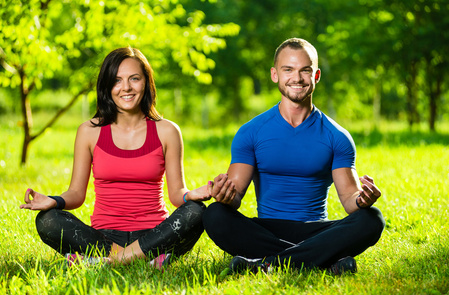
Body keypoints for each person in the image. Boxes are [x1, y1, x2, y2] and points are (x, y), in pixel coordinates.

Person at [202, 38, 385, 275]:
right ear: (275, 74)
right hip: (267, 230)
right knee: (215, 214)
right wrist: (224, 195)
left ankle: (265, 264)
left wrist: (362, 201)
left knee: (371, 219)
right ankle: (324, 261)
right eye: (288, 69)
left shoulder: (336, 136)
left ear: (316, 75)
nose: (296, 78)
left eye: (305, 71)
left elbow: (350, 199)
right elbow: (235, 195)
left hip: (316, 230)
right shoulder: (251, 132)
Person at [20, 47, 212, 268]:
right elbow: (76, 193)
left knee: (197, 212)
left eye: (134, 79)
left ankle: (105, 261)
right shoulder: (89, 131)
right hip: (104, 237)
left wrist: (192, 195)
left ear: (146, 82)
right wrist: (55, 201)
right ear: (107, 86)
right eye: (117, 80)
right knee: (48, 220)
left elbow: (177, 194)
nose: (126, 87)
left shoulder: (167, 131)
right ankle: (141, 260)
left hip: (154, 236)